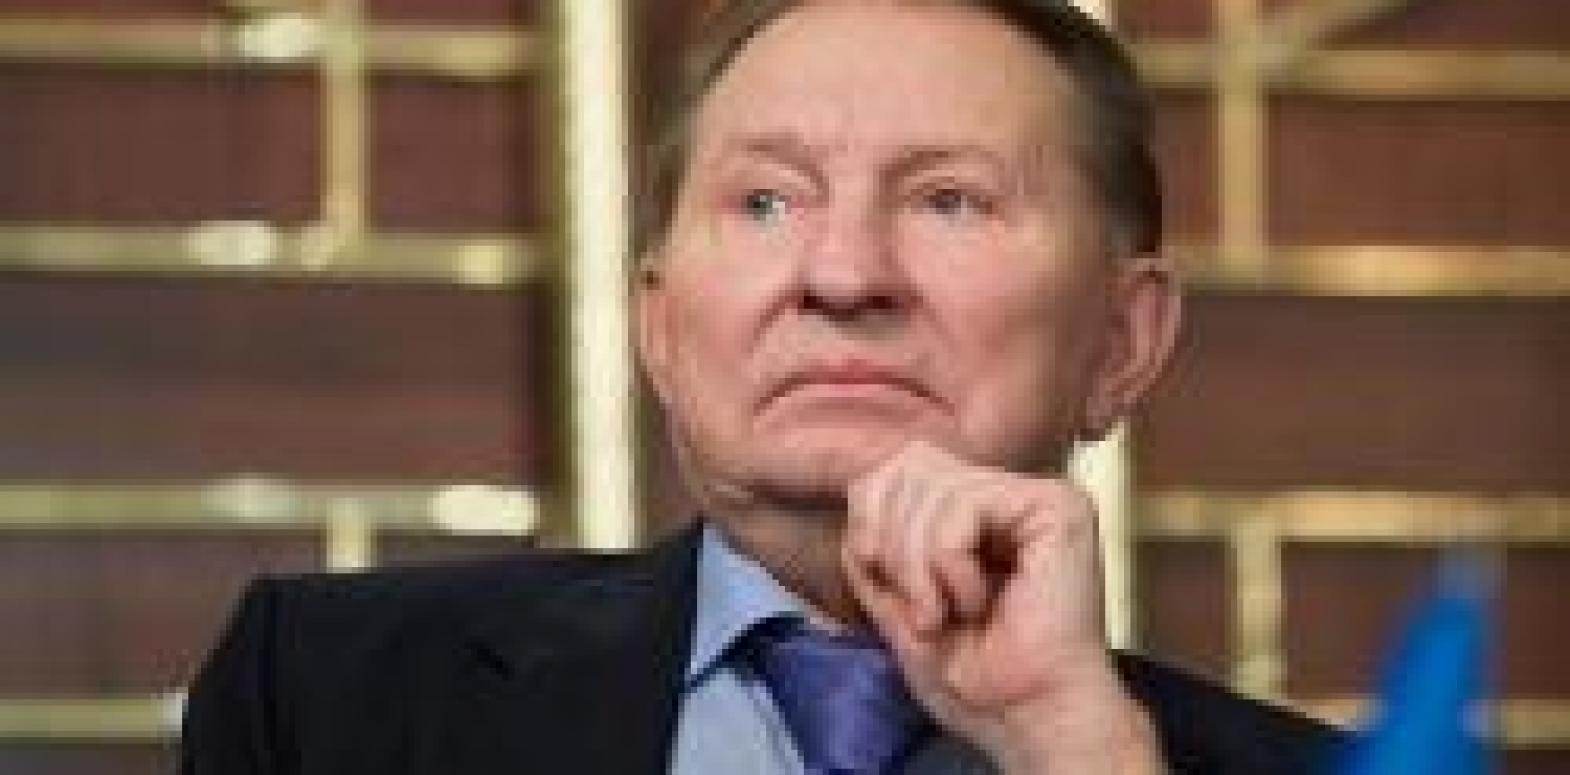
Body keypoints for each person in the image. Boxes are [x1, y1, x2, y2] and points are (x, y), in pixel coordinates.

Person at [181, 1, 1345, 773]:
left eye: (949, 200)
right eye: (765, 202)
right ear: (658, 324)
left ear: (1123, 341)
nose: (841, 274)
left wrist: (1071, 747)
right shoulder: (327, 694)